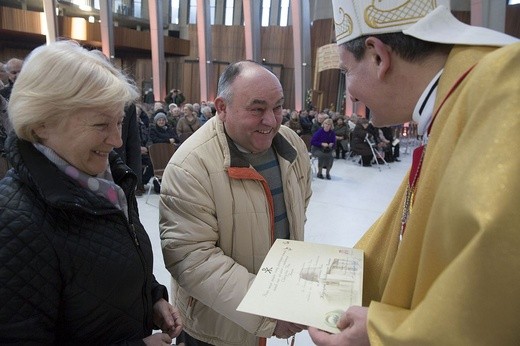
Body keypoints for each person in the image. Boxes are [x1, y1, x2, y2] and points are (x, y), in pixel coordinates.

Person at [308, 1, 519, 345]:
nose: (348, 93)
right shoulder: (456, 102)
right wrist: (322, 285)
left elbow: (498, 292)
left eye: (346, 72)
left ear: (378, 56)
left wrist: (380, 335)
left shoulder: (505, 86)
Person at [0, 40, 182, 344]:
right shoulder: (15, 222)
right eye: (101, 125)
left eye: (120, 123)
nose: (116, 140)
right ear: (42, 124)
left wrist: (153, 297)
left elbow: (112, 264)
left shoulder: (108, 180)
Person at [160, 60, 312, 346]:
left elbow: (299, 205)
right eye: (257, 109)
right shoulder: (190, 166)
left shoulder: (291, 144)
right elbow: (192, 258)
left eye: (278, 107)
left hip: (267, 305)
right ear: (222, 107)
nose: (271, 120)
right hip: (214, 325)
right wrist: (266, 309)